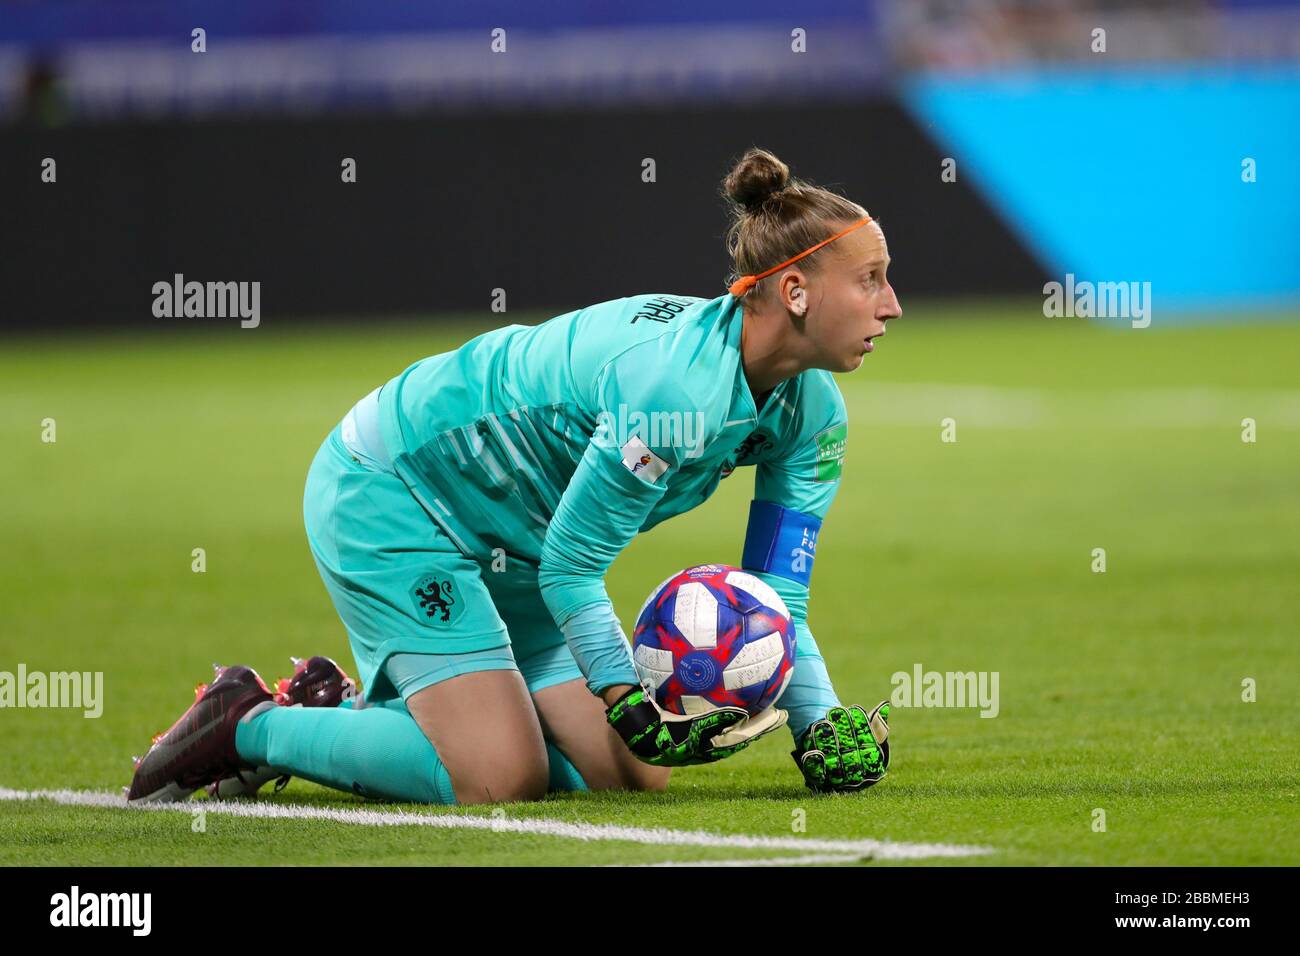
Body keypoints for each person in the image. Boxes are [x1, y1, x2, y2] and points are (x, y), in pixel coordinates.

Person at [127, 147, 901, 806]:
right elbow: (575, 566)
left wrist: (819, 721)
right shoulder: (673, 392)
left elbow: (779, 597)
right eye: (869, 279)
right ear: (795, 291)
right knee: (501, 776)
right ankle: (248, 723)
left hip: (520, 543)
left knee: (634, 774)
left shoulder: (813, 416)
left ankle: (368, 710)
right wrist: (624, 695)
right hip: (397, 491)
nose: (891, 305)